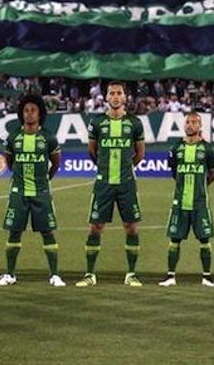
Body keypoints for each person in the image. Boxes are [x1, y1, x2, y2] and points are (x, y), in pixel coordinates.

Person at [76, 81, 145, 287]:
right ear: (106, 97)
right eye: (111, 93)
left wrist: (125, 169)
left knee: (131, 228)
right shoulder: (97, 123)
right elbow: (92, 151)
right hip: (104, 183)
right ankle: (89, 274)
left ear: (125, 97)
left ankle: (131, 274)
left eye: (119, 93)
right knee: (95, 227)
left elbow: (140, 154)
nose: (115, 96)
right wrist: (105, 169)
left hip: (126, 183)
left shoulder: (134, 123)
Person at [0, 94, 64, 287]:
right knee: (14, 232)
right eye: (26, 110)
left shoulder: (48, 137)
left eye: (33, 110)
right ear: (21, 114)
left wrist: (44, 180)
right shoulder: (13, 137)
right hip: (19, 192)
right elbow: (9, 162)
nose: (30, 114)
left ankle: (54, 275)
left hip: (41, 192)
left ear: (40, 113)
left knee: (47, 232)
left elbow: (55, 164)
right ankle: (10, 274)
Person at [158, 112, 214, 287]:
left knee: (204, 239)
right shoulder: (176, 148)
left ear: (200, 126)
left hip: (200, 203)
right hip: (180, 202)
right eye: (188, 122)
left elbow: (213, 173)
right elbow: (174, 172)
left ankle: (206, 277)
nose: (190, 125)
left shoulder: (207, 149)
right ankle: (170, 276)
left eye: (194, 122)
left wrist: (201, 186)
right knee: (175, 239)